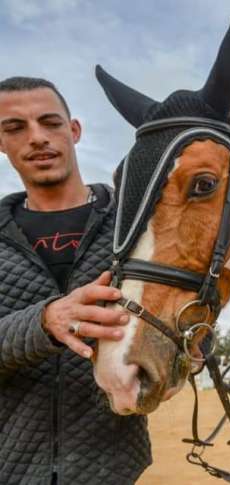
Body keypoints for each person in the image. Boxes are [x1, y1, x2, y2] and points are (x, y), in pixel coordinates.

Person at [0, 77, 150, 484]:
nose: (37, 138)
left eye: (50, 123)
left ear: (75, 130)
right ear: (0, 141)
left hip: (112, 467)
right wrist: (44, 322)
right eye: (15, 128)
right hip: (10, 466)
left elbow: (187, 301)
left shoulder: (134, 224)